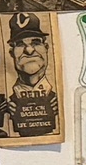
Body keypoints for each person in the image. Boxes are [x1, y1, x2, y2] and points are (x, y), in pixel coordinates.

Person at [3, 13, 60, 141]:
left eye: (35, 42)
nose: (29, 50)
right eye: (20, 44)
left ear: (46, 48)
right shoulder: (5, 101)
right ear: (11, 53)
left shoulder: (60, 96)